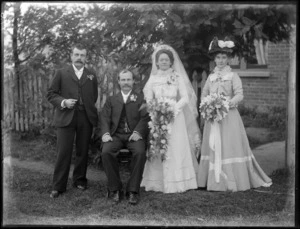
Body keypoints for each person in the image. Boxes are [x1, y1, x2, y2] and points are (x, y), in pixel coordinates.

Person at [197, 37, 272, 191]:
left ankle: (231, 179)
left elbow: (239, 94)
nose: (221, 60)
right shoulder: (210, 77)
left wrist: (226, 104)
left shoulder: (233, 76)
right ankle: (210, 180)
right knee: (213, 145)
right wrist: (207, 105)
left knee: (228, 145)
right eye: (218, 57)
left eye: (224, 57)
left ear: (228, 59)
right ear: (214, 59)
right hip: (213, 118)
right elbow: (204, 94)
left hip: (228, 116)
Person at [141, 44, 201, 193]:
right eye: (161, 60)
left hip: (175, 117)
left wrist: (172, 108)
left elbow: (185, 97)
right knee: (159, 144)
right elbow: (148, 97)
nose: (164, 62)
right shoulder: (153, 79)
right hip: (158, 117)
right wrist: (156, 108)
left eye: (166, 60)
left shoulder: (177, 77)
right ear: (157, 62)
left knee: (175, 146)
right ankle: (158, 181)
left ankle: (178, 181)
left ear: (171, 61)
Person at [46, 43, 98, 198]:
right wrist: (63, 102)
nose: (79, 58)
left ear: (86, 58)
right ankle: (58, 186)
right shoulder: (61, 73)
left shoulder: (91, 75)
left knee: (83, 150)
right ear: (71, 56)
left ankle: (80, 180)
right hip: (65, 116)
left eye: (82, 55)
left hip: (85, 117)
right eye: (76, 55)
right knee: (64, 151)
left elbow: (93, 96)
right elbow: (51, 94)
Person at [100, 69, 150, 205]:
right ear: (118, 81)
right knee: (106, 151)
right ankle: (114, 189)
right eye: (123, 80)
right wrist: (105, 134)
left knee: (140, 153)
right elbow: (104, 118)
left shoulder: (140, 99)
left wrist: (138, 132)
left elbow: (145, 118)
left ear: (133, 81)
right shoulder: (111, 100)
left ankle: (133, 190)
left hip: (133, 135)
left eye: (128, 80)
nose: (126, 82)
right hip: (115, 135)